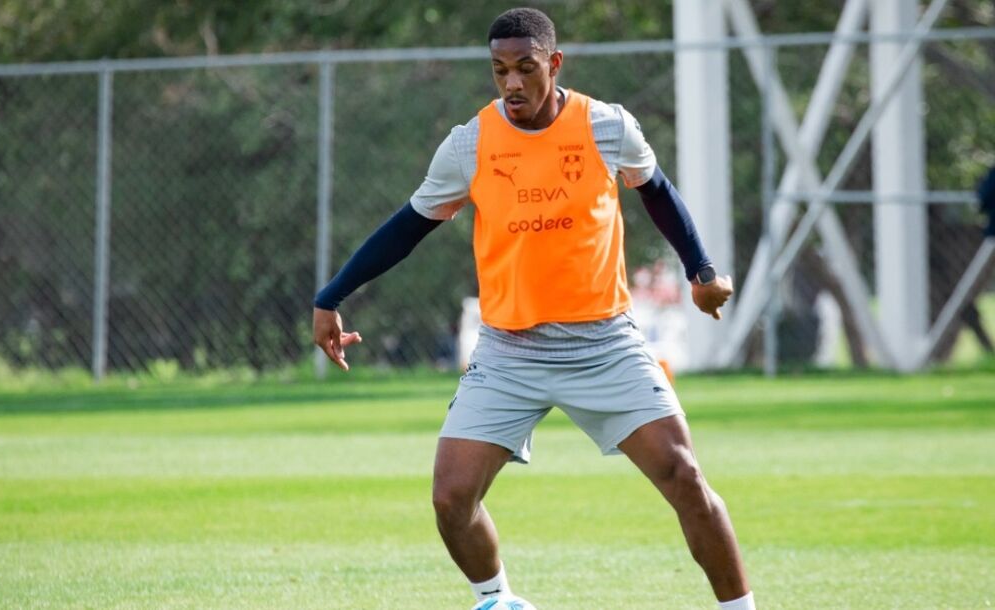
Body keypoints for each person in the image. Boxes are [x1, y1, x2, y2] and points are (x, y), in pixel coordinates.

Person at [312, 8, 752, 609]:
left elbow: (658, 193)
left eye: (525, 68)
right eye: (499, 71)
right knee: (451, 499)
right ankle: (498, 601)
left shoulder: (606, 125)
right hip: (509, 350)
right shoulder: (470, 143)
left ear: (555, 63)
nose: (512, 83)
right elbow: (408, 227)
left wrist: (700, 274)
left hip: (604, 343)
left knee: (685, 479)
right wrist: (330, 296)